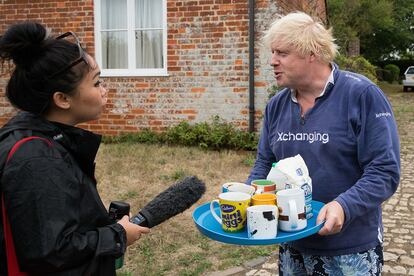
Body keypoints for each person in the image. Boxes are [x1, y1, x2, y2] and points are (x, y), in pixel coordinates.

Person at [247, 12, 400, 275]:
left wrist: (344, 205)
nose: (272, 61)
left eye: (282, 53)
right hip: (291, 245)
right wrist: (249, 195)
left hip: (350, 250)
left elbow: (385, 171)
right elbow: (265, 162)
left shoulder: (361, 95)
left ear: (312, 54)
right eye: (272, 53)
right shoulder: (276, 106)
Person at [0, 22, 150, 275]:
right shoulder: (37, 159)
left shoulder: (46, 139)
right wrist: (118, 235)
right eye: (96, 83)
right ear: (62, 99)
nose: (105, 90)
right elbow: (51, 252)